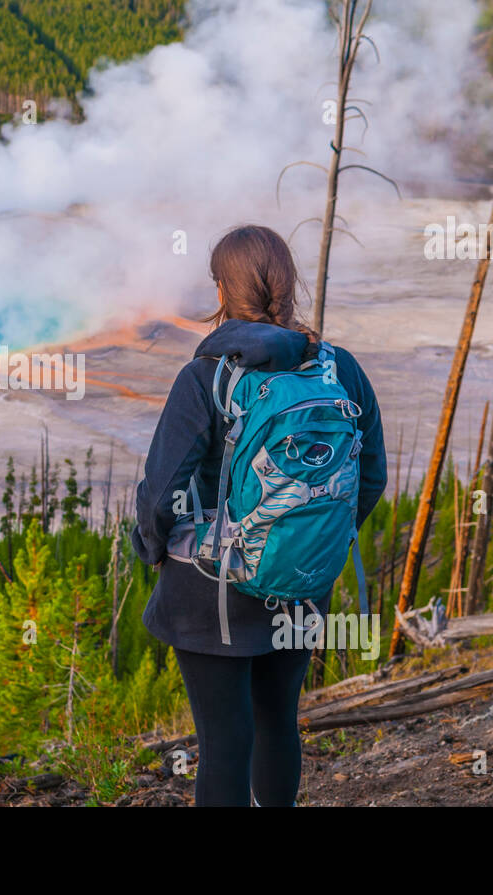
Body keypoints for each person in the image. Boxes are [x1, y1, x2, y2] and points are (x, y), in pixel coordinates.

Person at [131, 224, 387, 807]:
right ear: (288, 283)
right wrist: (317, 542)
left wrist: (152, 548)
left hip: (211, 592)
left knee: (224, 742)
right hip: (302, 584)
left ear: (222, 290)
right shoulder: (339, 369)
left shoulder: (208, 377)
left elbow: (162, 490)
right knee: (277, 723)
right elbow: (370, 476)